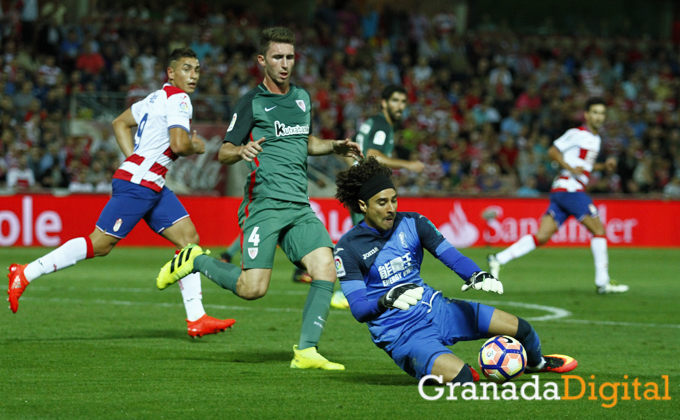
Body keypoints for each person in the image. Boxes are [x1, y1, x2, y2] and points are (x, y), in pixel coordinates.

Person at [156, 27, 362, 370]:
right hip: (264, 204)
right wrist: (241, 149)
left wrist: (334, 146)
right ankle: (193, 260)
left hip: (298, 206)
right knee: (252, 289)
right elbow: (222, 152)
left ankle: (306, 352)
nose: (285, 64)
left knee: (325, 267)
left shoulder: (302, 98)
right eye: (278, 57)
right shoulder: (251, 103)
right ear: (262, 60)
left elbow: (305, 142)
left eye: (290, 57)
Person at [7, 48, 236, 338]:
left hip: (149, 182)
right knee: (100, 244)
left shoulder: (154, 98)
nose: (193, 76)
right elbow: (179, 145)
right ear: (171, 72)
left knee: (189, 239)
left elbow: (119, 123)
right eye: (187, 69)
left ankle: (197, 318)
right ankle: (25, 273)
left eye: (197, 70)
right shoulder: (179, 99)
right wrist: (197, 146)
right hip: (140, 184)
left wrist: (134, 159)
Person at [332, 157, 577, 383]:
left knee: (522, 329)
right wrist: (386, 300)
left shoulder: (413, 222)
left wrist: (476, 275)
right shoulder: (348, 248)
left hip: (437, 310)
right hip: (402, 334)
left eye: (394, 199)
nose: (391, 208)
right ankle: (452, 367)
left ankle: (537, 363)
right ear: (363, 205)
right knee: (464, 379)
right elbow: (359, 309)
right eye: (382, 202)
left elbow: (452, 257)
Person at [487, 98, 629, 294]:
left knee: (542, 236)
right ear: (586, 115)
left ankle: (498, 259)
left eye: (602, 113)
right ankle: (602, 283)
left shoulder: (595, 139)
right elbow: (553, 151)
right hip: (570, 189)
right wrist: (570, 168)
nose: (599, 116)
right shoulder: (577, 133)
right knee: (599, 230)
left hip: (563, 191)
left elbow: (583, 165)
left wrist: (603, 167)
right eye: (595, 112)